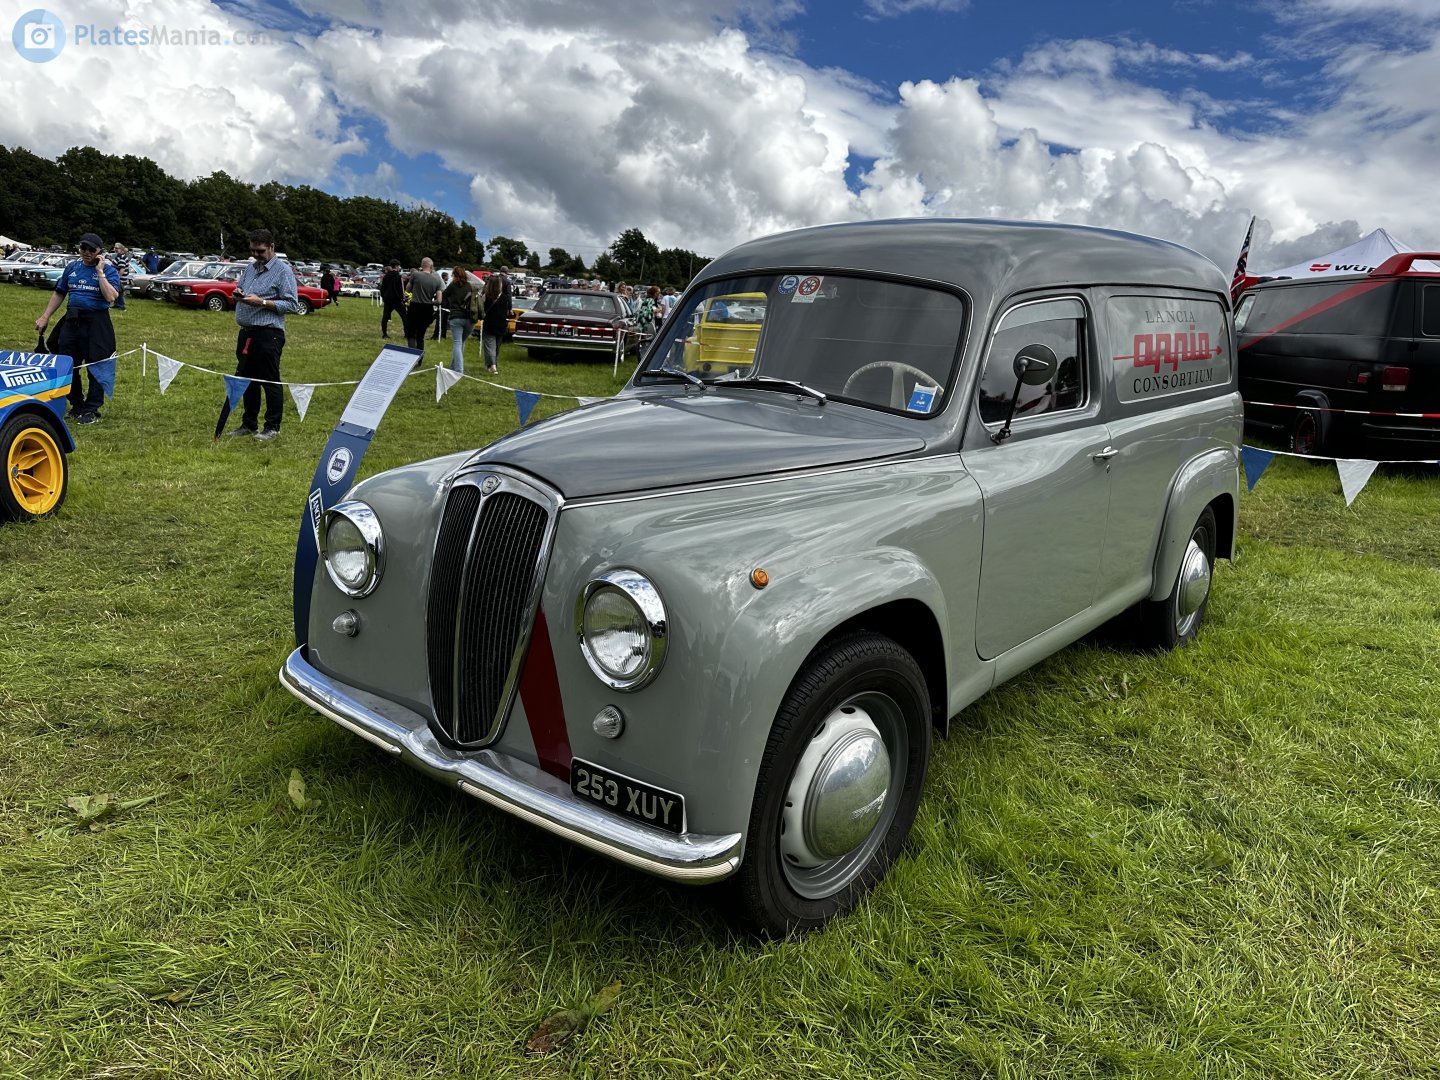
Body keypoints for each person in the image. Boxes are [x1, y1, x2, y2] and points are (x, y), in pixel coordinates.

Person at [34, 232, 119, 425]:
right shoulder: (72, 267)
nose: (86, 252)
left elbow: (111, 297)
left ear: (100, 252)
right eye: (83, 248)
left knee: (96, 363)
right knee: (67, 362)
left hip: (97, 321)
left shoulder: (109, 271)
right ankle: (77, 404)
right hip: (72, 318)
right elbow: (59, 293)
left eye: (91, 249)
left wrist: (100, 272)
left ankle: (92, 408)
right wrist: (45, 316)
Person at [225, 229, 300, 442]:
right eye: (252, 250)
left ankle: (272, 427)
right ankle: (249, 424)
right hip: (247, 332)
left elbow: (292, 304)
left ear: (272, 247)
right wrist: (239, 294)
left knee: (269, 380)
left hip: (269, 334)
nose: (256, 255)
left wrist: (263, 302)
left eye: (260, 251)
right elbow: (243, 287)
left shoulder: (283, 271)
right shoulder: (250, 268)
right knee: (246, 380)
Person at [441, 266, 479, 373]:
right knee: (461, 342)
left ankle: (458, 370)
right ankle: (454, 367)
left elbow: (443, 295)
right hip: (470, 319)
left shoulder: (453, 285)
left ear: (454, 275)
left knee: (457, 343)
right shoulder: (471, 286)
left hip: (456, 317)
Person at [405, 257, 442, 349]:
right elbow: (439, 300)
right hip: (427, 308)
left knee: (411, 333)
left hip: (415, 306)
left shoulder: (415, 275)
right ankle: (419, 358)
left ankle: (411, 355)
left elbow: (407, 289)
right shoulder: (437, 280)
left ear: (422, 265)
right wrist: (431, 302)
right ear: (431, 266)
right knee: (421, 335)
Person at [480, 269, 511, 374]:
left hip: (489, 323)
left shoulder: (486, 297)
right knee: (496, 347)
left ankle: (492, 365)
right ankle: (493, 364)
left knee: (489, 346)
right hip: (501, 324)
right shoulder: (504, 297)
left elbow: (482, 309)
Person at [379, 260, 406, 338]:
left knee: (385, 317)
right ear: (397, 266)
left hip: (387, 299)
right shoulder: (398, 276)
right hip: (396, 299)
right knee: (404, 316)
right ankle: (406, 333)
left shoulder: (386, 276)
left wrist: (384, 296)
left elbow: (382, 288)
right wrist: (402, 298)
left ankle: (384, 334)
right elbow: (401, 289)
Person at [111, 242, 130, 310]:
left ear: (121, 249)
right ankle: (116, 305)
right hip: (118, 278)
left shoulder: (122, 257)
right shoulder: (119, 256)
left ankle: (121, 306)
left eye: (117, 248)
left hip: (121, 278)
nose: (115, 249)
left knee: (120, 292)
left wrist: (117, 277)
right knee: (117, 291)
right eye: (115, 248)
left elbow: (122, 269)